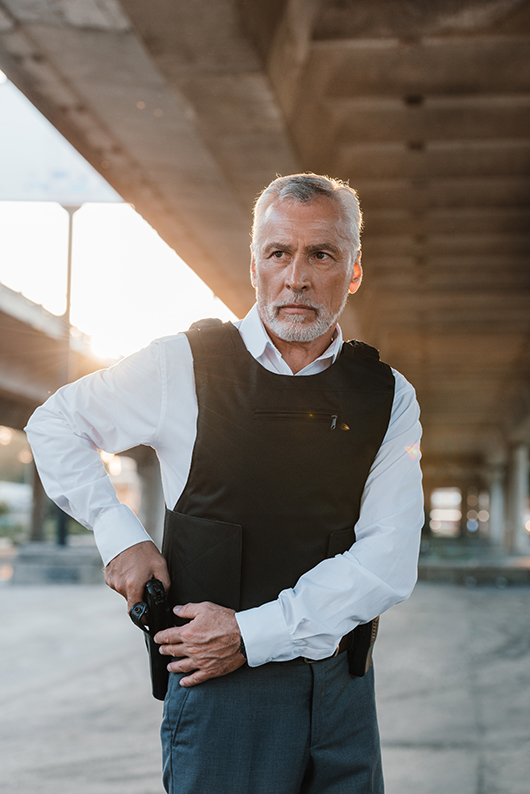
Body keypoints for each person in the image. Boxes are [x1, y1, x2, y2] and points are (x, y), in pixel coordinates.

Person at [26, 173, 423, 794]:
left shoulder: (387, 394)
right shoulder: (180, 364)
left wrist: (248, 635)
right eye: (279, 253)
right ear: (255, 266)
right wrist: (119, 534)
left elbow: (389, 557)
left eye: (321, 254)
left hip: (342, 693)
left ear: (352, 271)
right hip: (221, 696)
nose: (297, 277)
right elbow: (55, 423)